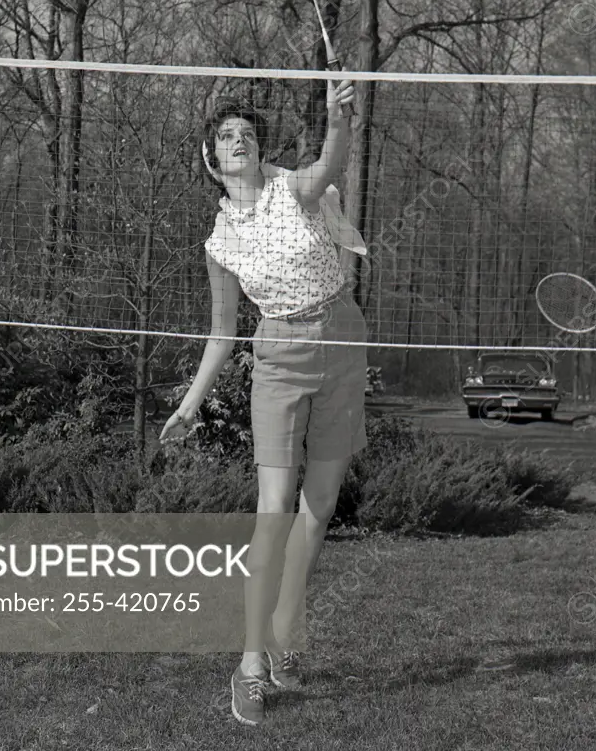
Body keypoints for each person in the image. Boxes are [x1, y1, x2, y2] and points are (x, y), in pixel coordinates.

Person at [159, 81, 368, 726]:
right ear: (212, 161)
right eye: (226, 137)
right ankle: (251, 663)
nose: (238, 140)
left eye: (246, 132)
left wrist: (339, 120)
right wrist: (191, 404)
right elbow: (223, 332)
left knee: (321, 504)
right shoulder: (221, 243)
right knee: (274, 509)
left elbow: (331, 165)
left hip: (343, 337)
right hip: (278, 355)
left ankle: (284, 629)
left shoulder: (292, 193)